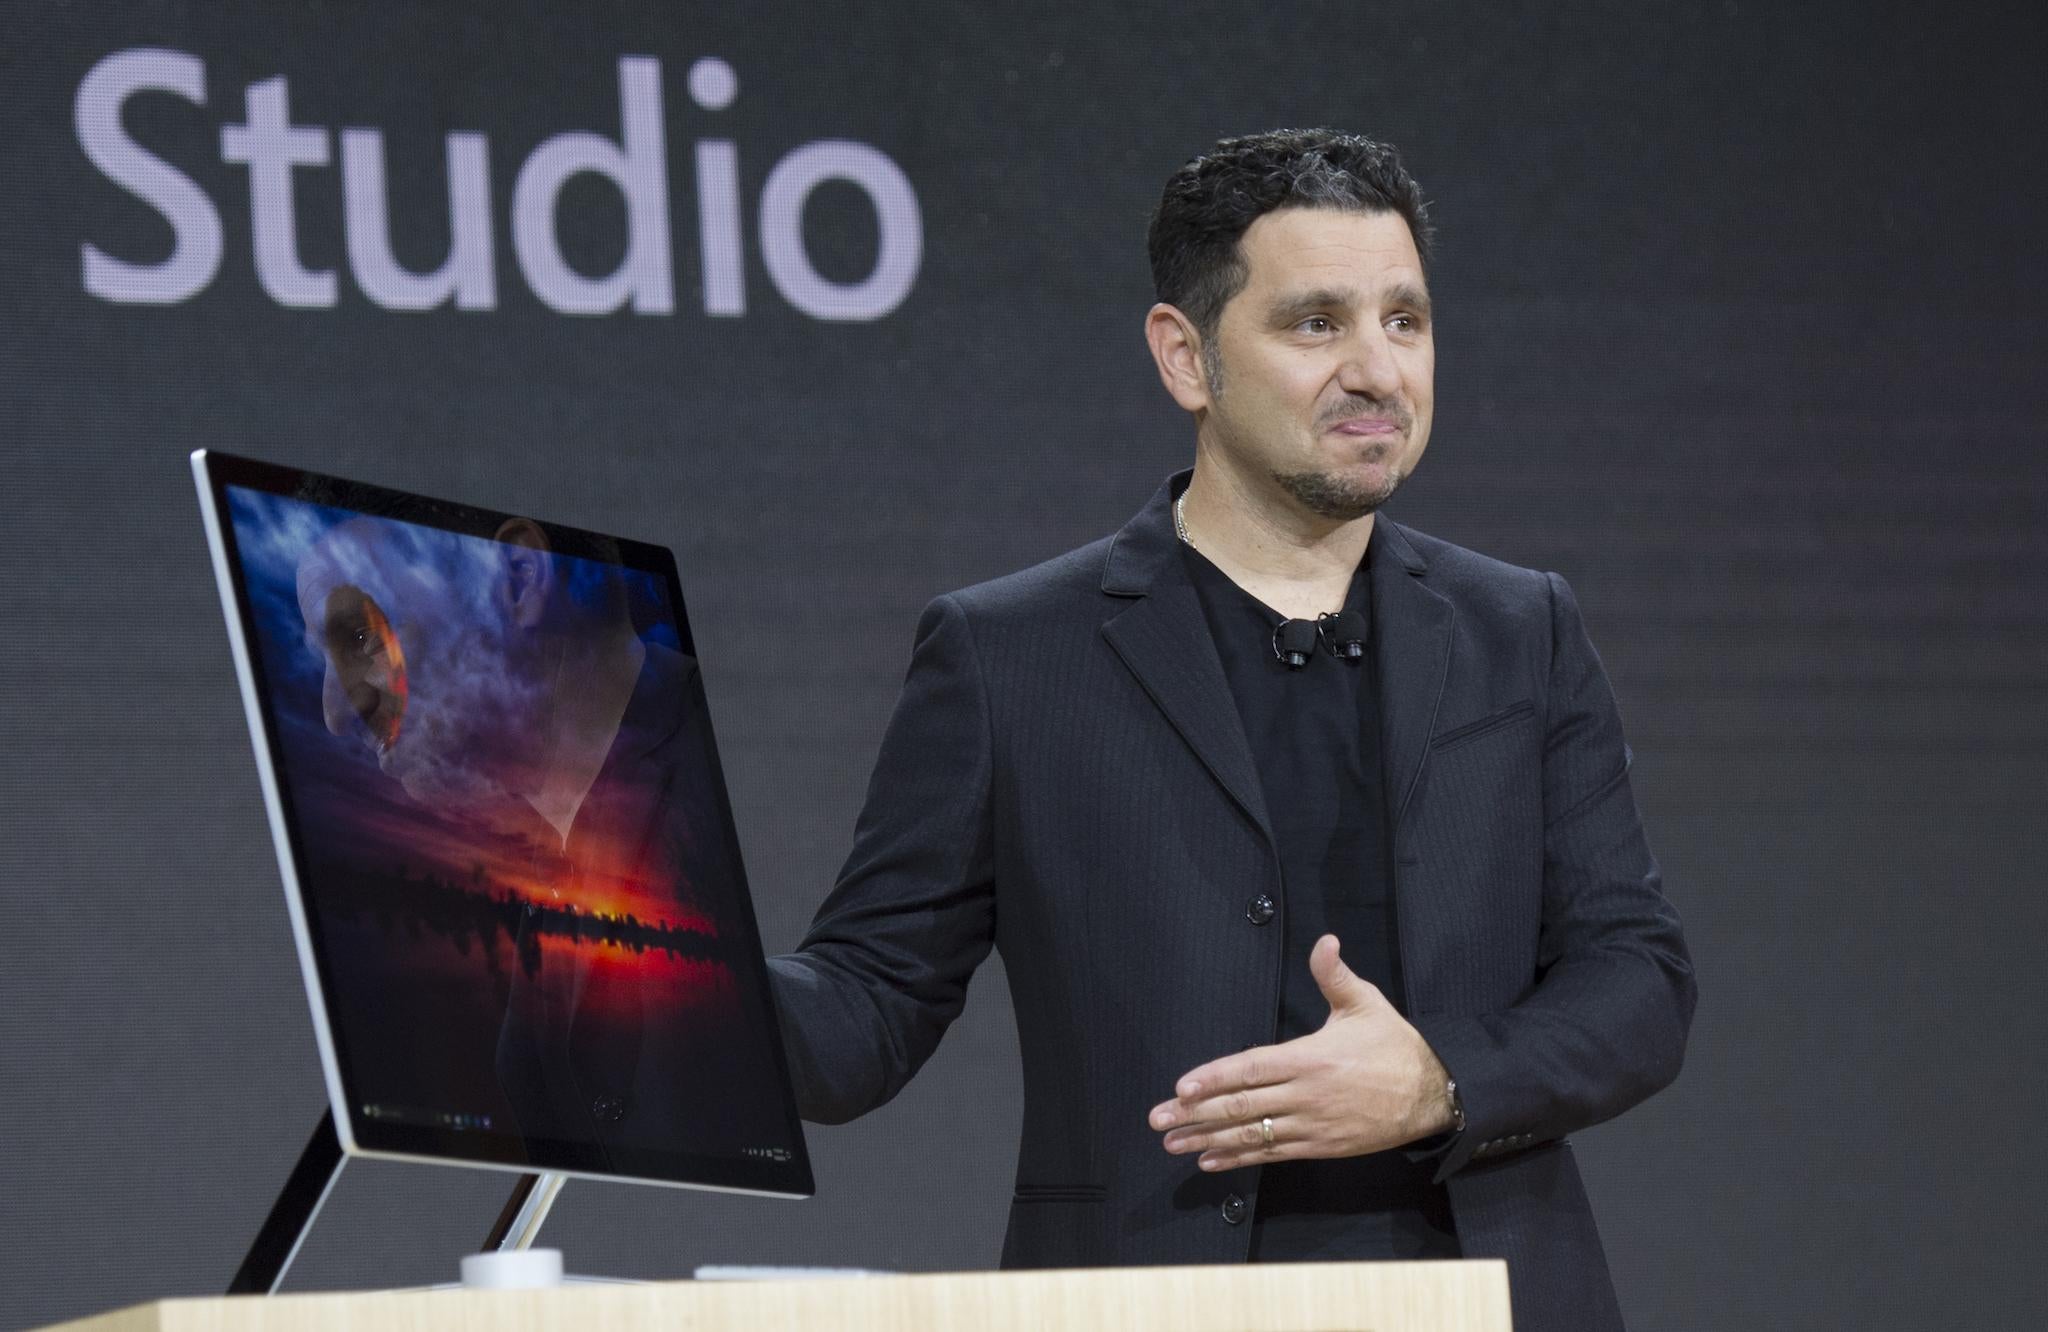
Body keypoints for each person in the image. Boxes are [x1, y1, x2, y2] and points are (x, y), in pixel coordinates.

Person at [768, 129, 1695, 1332]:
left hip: (1486, 1296)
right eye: (1316, 324)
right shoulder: (1010, 654)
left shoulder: (1520, 630)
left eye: (1403, 322)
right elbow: (865, 1008)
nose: (1377, 371)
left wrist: (1438, 1078)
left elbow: (1634, 979)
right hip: (1144, 1296)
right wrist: (636, 978)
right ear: (1184, 357)